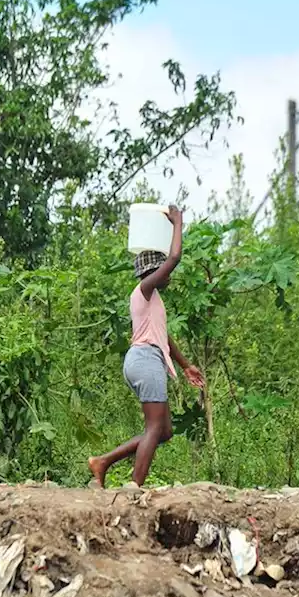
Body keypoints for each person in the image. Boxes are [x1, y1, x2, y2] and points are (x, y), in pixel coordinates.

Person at [88, 207, 205, 488]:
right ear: (153, 272)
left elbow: (165, 338)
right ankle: (134, 487)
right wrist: (178, 223)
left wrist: (186, 365)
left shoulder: (153, 301)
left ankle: (102, 462)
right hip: (145, 360)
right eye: (164, 270)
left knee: (164, 431)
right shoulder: (144, 290)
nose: (170, 275)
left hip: (147, 359)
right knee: (154, 428)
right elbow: (175, 257)